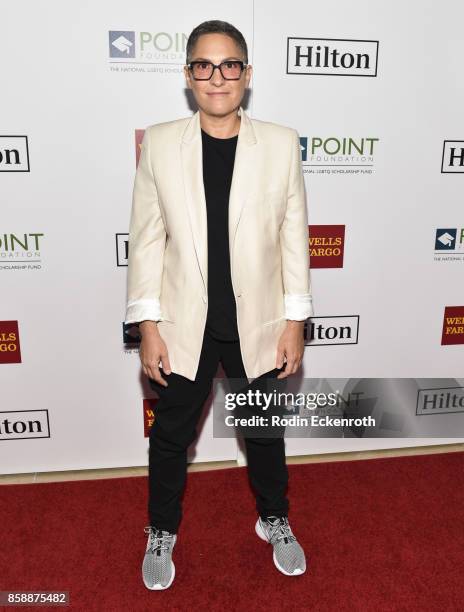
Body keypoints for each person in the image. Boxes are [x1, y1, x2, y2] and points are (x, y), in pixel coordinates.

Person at [125, 20, 314, 590]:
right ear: (188, 76)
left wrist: (296, 319)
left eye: (229, 64)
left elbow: (293, 236)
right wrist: (148, 325)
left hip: (256, 320)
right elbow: (146, 239)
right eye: (203, 66)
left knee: (263, 431)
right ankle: (161, 530)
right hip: (185, 323)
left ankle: (273, 519)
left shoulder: (280, 143)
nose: (217, 77)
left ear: (247, 74)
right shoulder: (159, 143)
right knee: (171, 437)